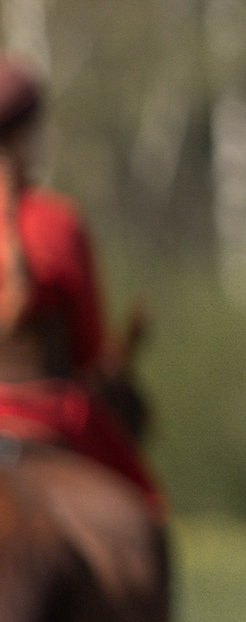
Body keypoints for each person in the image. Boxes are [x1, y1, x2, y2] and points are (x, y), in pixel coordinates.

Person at [0, 56, 162, 513]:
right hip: (52, 417)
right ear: (26, 134)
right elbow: (88, 350)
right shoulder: (58, 223)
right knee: (142, 509)